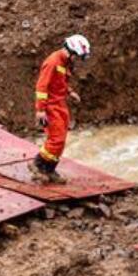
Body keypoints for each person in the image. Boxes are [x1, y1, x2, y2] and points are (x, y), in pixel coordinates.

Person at [31, 34, 91, 183]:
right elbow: (41, 86)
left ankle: (50, 169)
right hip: (50, 106)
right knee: (56, 138)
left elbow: (61, 81)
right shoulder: (52, 62)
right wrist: (40, 110)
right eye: (76, 57)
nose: (76, 60)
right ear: (71, 51)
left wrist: (70, 92)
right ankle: (38, 165)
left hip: (60, 104)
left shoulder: (63, 62)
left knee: (61, 139)